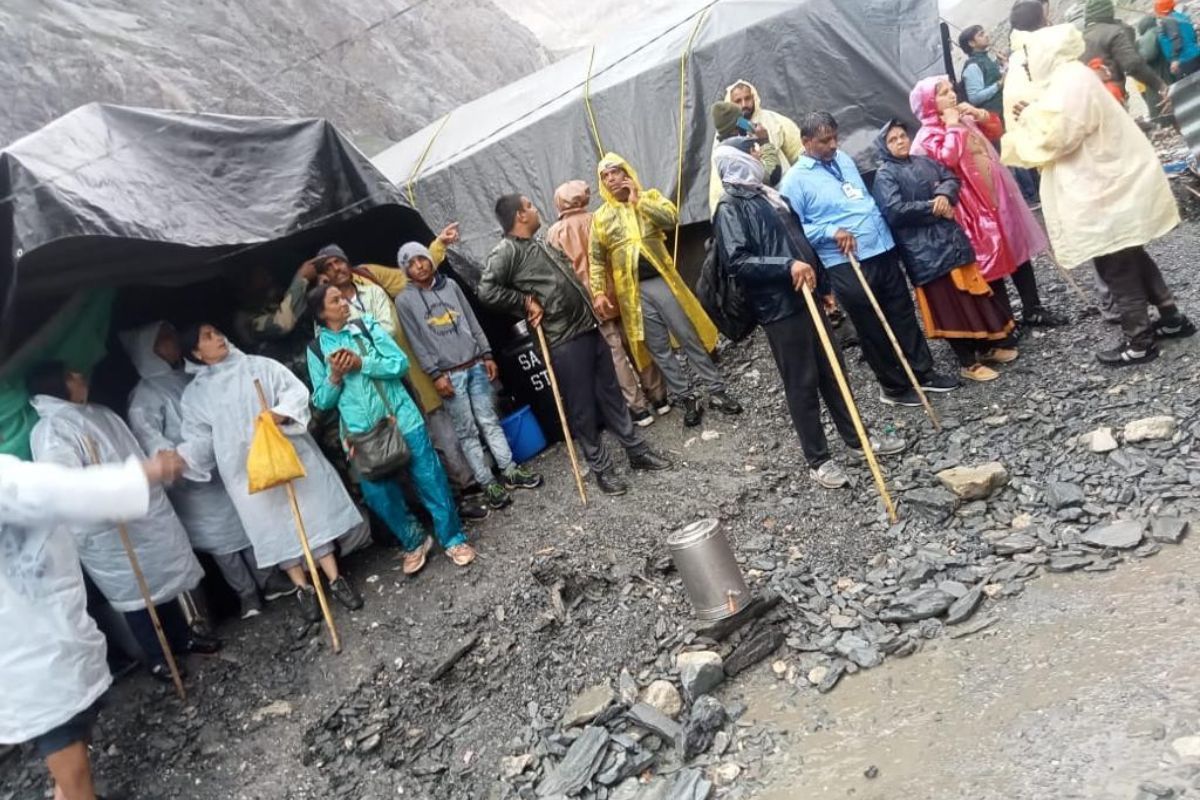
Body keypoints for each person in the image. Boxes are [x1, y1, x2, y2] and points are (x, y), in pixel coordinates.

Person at [711, 139, 907, 488]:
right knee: (802, 382)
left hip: (808, 296)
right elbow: (737, 261)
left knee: (835, 372)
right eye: (753, 151)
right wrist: (787, 266)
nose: (760, 155)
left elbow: (799, 239)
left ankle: (858, 440)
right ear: (739, 159)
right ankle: (819, 459)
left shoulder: (769, 195)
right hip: (780, 308)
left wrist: (824, 285)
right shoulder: (730, 206)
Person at [1002, 21, 1196, 365]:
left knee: (1114, 261)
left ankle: (1139, 341)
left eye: (1030, 58)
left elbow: (1059, 135)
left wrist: (1028, 116)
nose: (1029, 66)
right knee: (1129, 253)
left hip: (1103, 188)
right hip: (1108, 183)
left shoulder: (1070, 81)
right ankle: (1170, 318)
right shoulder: (1069, 78)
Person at [1, 448, 185, 800]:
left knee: (74, 736)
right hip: (29, 655)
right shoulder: (7, 479)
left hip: (38, 638)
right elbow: (66, 490)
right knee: (70, 754)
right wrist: (148, 470)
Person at [27, 363, 218, 682]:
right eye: (72, 375)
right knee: (136, 595)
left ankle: (182, 638)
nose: (81, 376)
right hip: (108, 529)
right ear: (56, 385)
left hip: (142, 514)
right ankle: (158, 656)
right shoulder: (50, 432)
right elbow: (68, 486)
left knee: (160, 582)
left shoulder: (99, 412)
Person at [478, 194, 672, 495]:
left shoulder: (540, 242)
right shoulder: (506, 252)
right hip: (561, 339)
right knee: (583, 409)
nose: (535, 209)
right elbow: (486, 290)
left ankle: (636, 451)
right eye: (529, 206)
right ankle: (602, 469)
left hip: (588, 326)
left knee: (612, 396)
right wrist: (523, 301)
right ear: (520, 216)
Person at [176, 324, 365, 623]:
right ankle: (303, 588)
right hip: (244, 470)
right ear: (197, 353)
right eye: (208, 337)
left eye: (217, 331)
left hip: (286, 452)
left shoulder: (258, 366)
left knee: (309, 513)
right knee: (273, 527)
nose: (219, 337)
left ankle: (333, 577)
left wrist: (280, 413)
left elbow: (295, 392)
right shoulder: (196, 395)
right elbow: (198, 438)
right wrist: (181, 459)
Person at [778, 111, 958, 407]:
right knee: (872, 324)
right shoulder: (794, 181)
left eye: (835, 137)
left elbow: (860, 198)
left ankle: (922, 372)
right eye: (825, 141)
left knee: (902, 311)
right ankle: (894, 387)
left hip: (881, 247)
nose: (834, 144)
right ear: (806, 142)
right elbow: (792, 228)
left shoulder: (843, 160)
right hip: (846, 261)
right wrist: (829, 230)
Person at [120, 321, 285, 620]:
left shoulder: (192, 375)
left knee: (247, 523)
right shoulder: (145, 394)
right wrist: (178, 458)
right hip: (192, 479)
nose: (172, 343)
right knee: (222, 542)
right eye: (165, 339)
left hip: (224, 463)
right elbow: (149, 436)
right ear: (150, 350)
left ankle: (270, 579)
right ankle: (246, 593)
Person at [307, 286, 478, 573]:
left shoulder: (366, 325)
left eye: (342, 297)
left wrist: (362, 363)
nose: (343, 303)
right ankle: (414, 540)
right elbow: (322, 402)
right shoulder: (315, 350)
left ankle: (453, 539)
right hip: (360, 434)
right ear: (321, 313)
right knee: (378, 496)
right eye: (335, 301)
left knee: (430, 480)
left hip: (402, 418)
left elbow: (399, 364)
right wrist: (334, 375)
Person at [311, 241, 486, 519]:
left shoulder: (370, 282)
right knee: (393, 452)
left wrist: (438, 247)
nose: (337, 269)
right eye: (328, 268)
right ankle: (428, 513)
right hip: (371, 395)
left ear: (347, 261)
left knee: (432, 438)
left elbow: (408, 279)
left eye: (338, 261)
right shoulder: (324, 321)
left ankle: (461, 496)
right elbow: (330, 357)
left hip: (404, 372)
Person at [591, 153, 743, 428]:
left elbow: (670, 218)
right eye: (605, 175)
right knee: (658, 347)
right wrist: (599, 291)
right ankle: (687, 397)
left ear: (627, 172)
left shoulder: (649, 196)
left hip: (661, 281)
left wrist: (639, 201)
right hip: (632, 293)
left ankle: (716, 390)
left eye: (615, 171)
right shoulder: (601, 218)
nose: (611, 178)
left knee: (688, 335)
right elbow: (597, 259)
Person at [394, 242, 544, 510]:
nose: (419, 266)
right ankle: (487, 482)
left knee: (490, 421)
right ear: (405, 270)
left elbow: (472, 320)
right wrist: (435, 374)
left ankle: (509, 470)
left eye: (422, 259)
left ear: (430, 259)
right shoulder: (404, 300)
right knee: (467, 432)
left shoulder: (450, 286)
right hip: (449, 373)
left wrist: (486, 354)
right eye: (411, 263)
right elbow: (416, 342)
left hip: (475, 363)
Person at [909, 76, 1063, 331]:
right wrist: (952, 126)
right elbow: (948, 159)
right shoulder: (927, 136)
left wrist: (979, 114)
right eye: (943, 93)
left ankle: (1033, 308)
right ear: (928, 103)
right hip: (970, 207)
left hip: (997, 195)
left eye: (951, 90)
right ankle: (1005, 322)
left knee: (1016, 248)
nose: (952, 95)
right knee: (989, 259)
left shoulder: (962, 117)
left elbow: (995, 131)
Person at [872, 120, 1018, 382]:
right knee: (949, 305)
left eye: (902, 136)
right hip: (925, 253)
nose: (900, 142)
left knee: (972, 298)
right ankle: (966, 362)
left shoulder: (924, 162)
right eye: (892, 140)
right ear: (884, 147)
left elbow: (950, 177)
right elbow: (894, 211)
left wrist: (945, 195)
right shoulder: (885, 175)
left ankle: (985, 348)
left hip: (951, 241)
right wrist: (933, 206)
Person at [545, 179, 665, 427]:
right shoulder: (599, 217)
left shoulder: (555, 234)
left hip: (590, 301)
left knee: (615, 353)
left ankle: (639, 409)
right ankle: (660, 396)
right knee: (638, 342)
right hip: (620, 288)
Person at [707, 79, 804, 212]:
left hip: (787, 195)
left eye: (747, 98)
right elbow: (771, 176)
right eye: (738, 101)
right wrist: (764, 141)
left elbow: (799, 152)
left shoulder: (773, 120)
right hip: (759, 206)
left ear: (754, 97)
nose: (744, 104)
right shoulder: (727, 147)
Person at [1083, 0, 1170, 105]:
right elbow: (1132, 65)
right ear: (1109, 12)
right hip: (1112, 98)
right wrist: (1159, 85)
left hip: (1088, 104)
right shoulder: (1112, 32)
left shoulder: (1079, 39)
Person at [708, 101, 784, 212]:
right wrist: (764, 141)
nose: (746, 122)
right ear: (736, 125)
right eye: (741, 120)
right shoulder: (739, 149)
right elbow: (773, 176)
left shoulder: (721, 149)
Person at [960, 25, 1007, 118]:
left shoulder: (985, 59)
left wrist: (1003, 63)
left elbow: (993, 78)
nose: (986, 35)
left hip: (1003, 108)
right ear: (972, 43)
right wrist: (999, 84)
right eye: (981, 35)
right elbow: (974, 97)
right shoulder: (972, 66)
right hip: (994, 115)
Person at [1156, 0, 1200, 79]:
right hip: (1196, 53)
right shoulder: (1182, 16)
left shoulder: (1167, 20)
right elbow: (1193, 35)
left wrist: (1174, 59)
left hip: (1184, 60)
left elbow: (1176, 39)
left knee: (1193, 89)